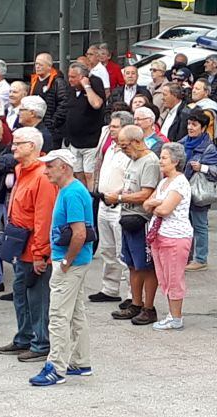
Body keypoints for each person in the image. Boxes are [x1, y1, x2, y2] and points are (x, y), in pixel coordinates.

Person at [28, 149, 94, 386]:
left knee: (58, 315)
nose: (46, 171)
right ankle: (80, 360)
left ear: (64, 167)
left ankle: (56, 367)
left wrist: (66, 261)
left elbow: (79, 233)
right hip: (75, 261)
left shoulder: (72, 193)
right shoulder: (71, 190)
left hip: (70, 262)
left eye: (50, 166)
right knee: (76, 313)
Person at [0, 127, 59, 361]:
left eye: (18, 144)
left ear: (32, 146)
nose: (12, 148)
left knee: (38, 296)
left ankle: (41, 343)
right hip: (20, 242)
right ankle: (24, 337)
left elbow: (44, 218)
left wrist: (41, 254)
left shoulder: (42, 175)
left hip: (34, 246)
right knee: (21, 293)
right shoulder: (22, 169)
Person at [108, 125, 160, 325]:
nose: (123, 150)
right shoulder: (133, 160)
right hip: (128, 216)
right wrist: (117, 195)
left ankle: (149, 307)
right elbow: (131, 186)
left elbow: (146, 193)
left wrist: (119, 197)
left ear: (137, 142)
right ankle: (136, 303)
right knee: (131, 264)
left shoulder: (150, 162)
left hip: (141, 219)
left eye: (125, 146)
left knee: (145, 266)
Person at [143, 143, 192, 331]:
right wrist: (157, 203)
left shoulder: (180, 182)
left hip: (175, 236)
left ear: (175, 161)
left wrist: (157, 204)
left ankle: (176, 317)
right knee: (164, 277)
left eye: (164, 158)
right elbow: (147, 204)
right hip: (159, 235)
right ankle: (171, 314)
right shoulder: (164, 182)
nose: (160, 161)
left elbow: (164, 209)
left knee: (174, 277)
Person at [88, 111, 133, 304]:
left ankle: (133, 294)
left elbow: (132, 179)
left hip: (119, 205)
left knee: (123, 251)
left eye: (114, 127)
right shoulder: (110, 149)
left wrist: (119, 196)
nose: (110, 130)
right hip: (103, 202)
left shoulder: (130, 153)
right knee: (107, 249)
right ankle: (110, 288)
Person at [180, 112, 217, 271]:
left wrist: (202, 168)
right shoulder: (184, 142)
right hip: (184, 192)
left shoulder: (208, 147)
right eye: (189, 124)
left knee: (199, 225)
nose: (190, 128)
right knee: (187, 225)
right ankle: (187, 257)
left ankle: (200, 258)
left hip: (199, 194)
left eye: (194, 125)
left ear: (204, 128)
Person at [64, 62, 105, 189]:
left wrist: (86, 86)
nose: (70, 80)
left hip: (91, 142)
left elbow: (97, 104)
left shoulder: (95, 83)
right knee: (77, 173)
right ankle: (83, 197)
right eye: (69, 77)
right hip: (74, 141)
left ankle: (91, 200)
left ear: (82, 77)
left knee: (90, 174)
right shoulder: (70, 88)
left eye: (73, 77)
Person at [29, 53, 67, 149]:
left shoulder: (58, 82)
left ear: (49, 66)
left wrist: (53, 122)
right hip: (35, 126)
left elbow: (63, 104)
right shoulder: (34, 81)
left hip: (52, 129)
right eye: (36, 64)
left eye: (40, 64)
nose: (37, 67)